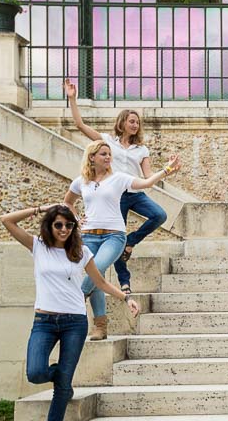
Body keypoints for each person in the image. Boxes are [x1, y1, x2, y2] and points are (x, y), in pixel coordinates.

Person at [1, 204, 140, 421]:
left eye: (69, 225)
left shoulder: (81, 251)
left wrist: (126, 297)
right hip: (44, 321)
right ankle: (62, 380)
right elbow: (7, 221)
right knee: (36, 372)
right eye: (59, 225)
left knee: (63, 385)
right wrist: (40, 208)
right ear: (50, 226)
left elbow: (99, 282)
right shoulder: (38, 247)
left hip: (74, 323)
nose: (64, 229)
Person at [64, 140, 180, 340]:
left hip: (114, 236)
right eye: (103, 154)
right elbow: (67, 202)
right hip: (89, 235)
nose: (108, 157)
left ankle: (76, 300)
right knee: (97, 276)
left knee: (96, 270)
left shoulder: (118, 178)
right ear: (92, 157)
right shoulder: (81, 181)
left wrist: (167, 170)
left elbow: (146, 183)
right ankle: (100, 326)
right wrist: (76, 219)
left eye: (109, 154)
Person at [63, 79, 169, 295]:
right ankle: (124, 282)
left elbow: (148, 176)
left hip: (134, 193)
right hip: (114, 196)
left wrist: (164, 172)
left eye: (137, 122)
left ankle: (131, 241)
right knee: (116, 237)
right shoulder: (107, 142)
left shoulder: (142, 149)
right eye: (131, 121)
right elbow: (80, 126)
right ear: (122, 123)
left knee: (159, 215)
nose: (135, 125)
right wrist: (72, 99)